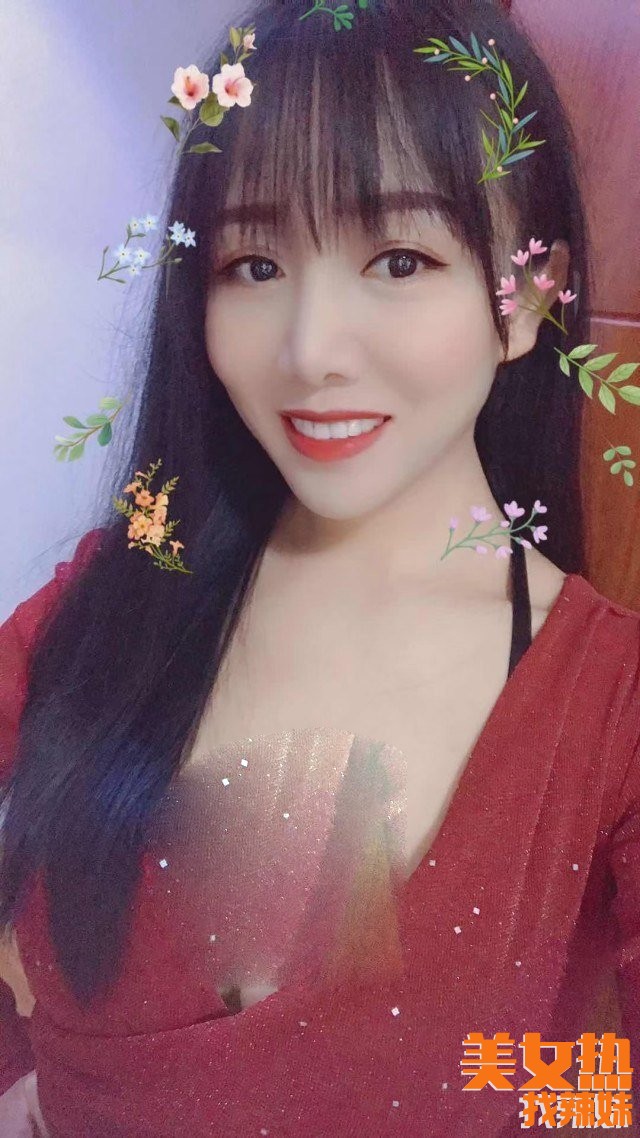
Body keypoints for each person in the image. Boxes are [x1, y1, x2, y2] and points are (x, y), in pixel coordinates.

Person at [1, 0, 639, 1134]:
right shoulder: (106, 599)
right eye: (254, 264)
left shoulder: (612, 708)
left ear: (530, 294)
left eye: (399, 258)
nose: (308, 350)